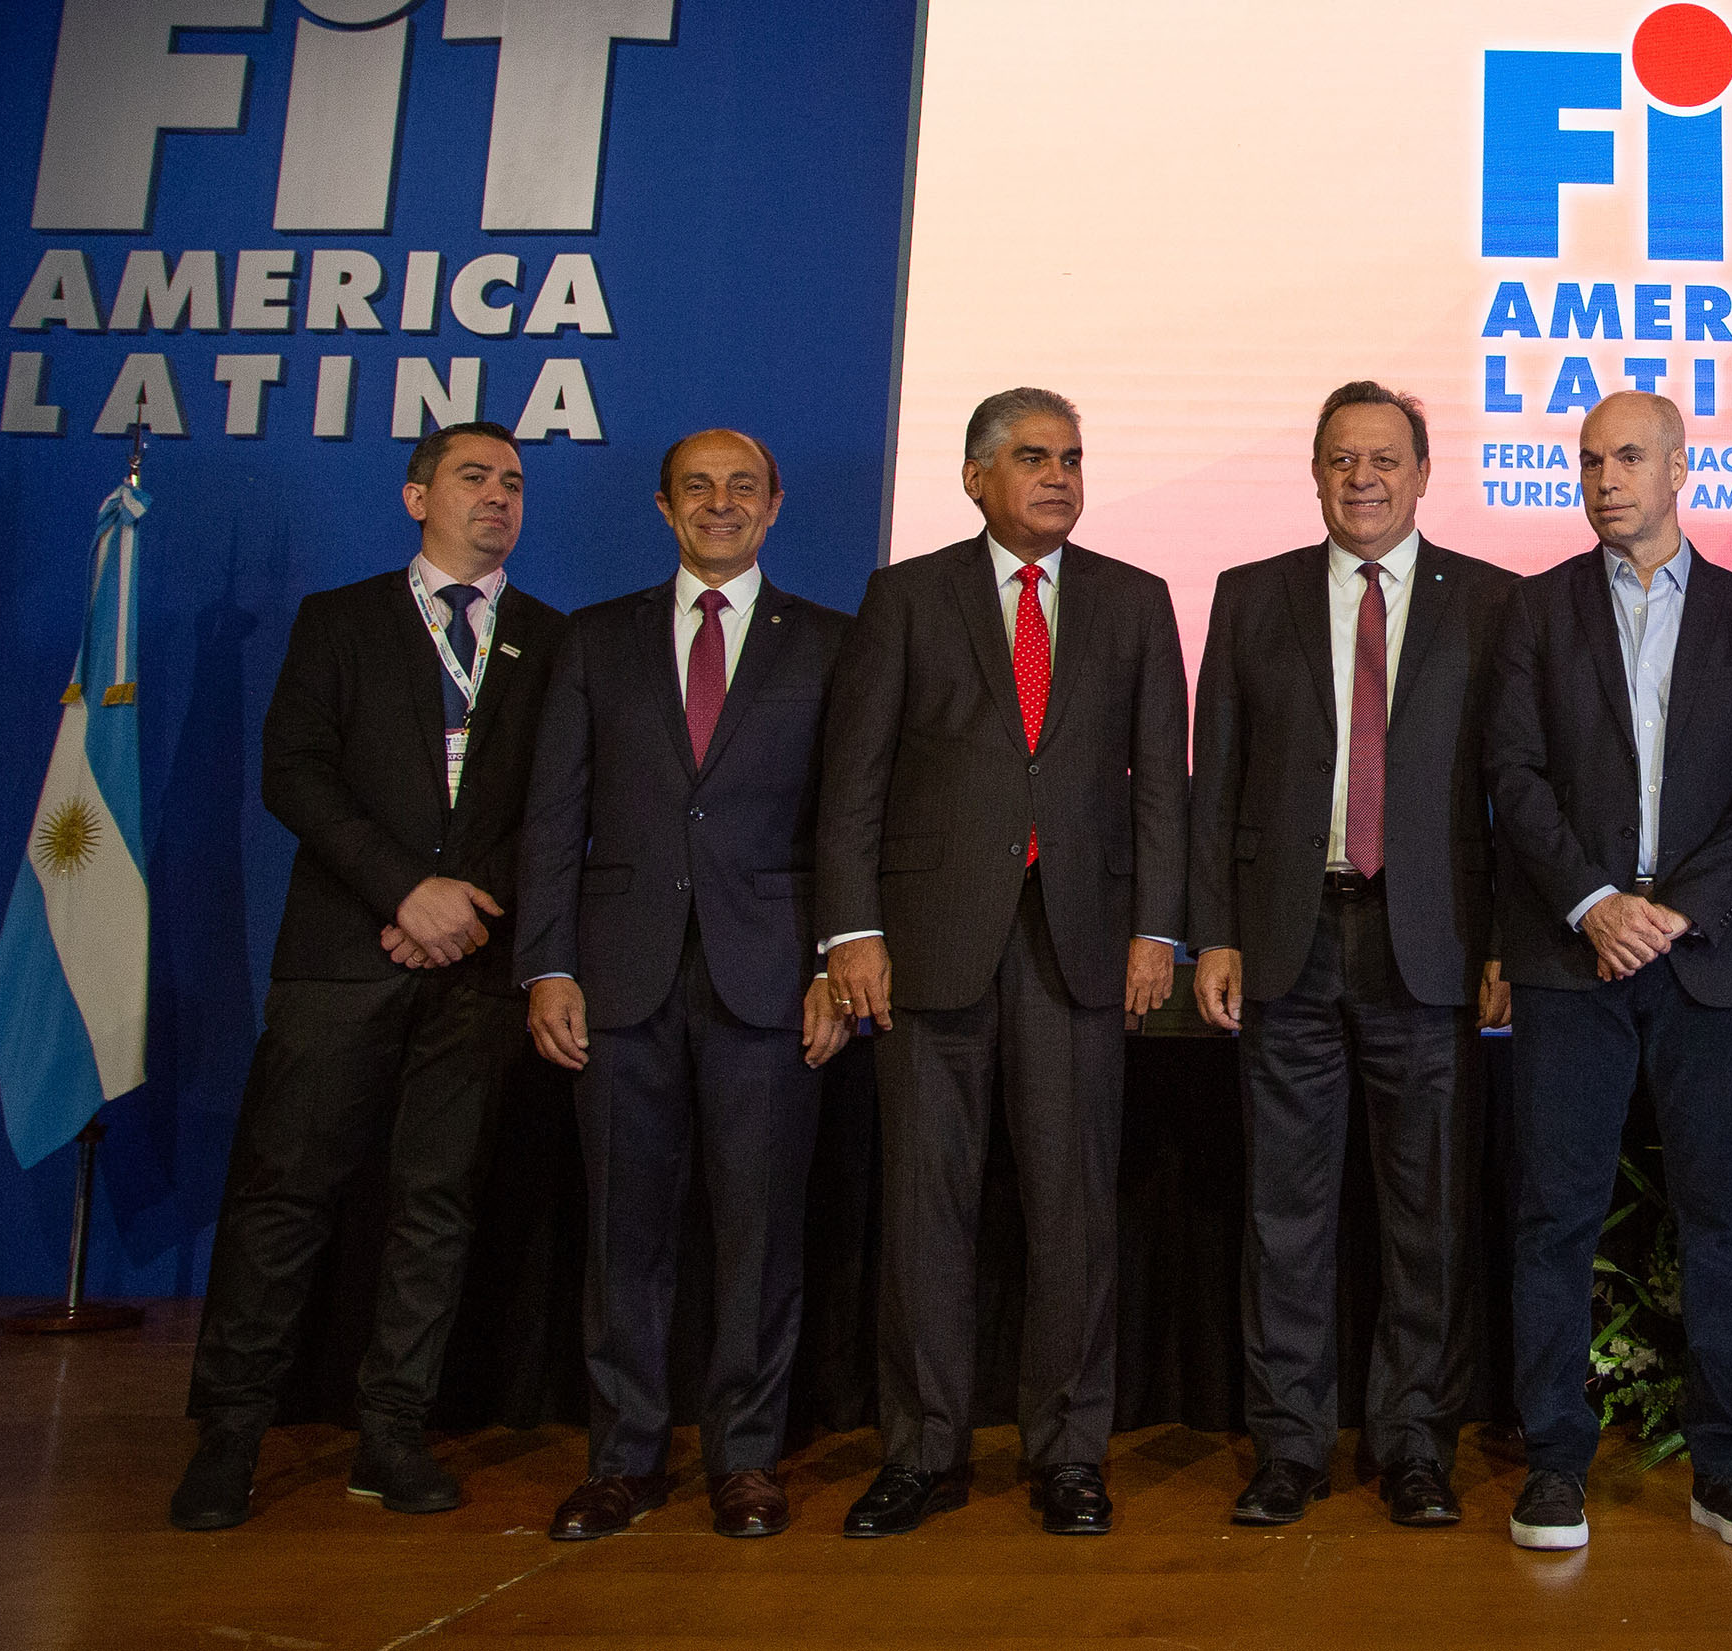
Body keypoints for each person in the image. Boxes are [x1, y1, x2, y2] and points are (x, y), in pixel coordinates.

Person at [170, 421, 566, 1531]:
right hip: (342, 959)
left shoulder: (550, 638)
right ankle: (232, 1433)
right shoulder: (337, 620)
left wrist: (462, 906)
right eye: (473, 477)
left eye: (513, 482)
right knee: (285, 1197)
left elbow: (558, 802)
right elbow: (293, 773)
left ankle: (393, 1430)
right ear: (415, 496)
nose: (498, 496)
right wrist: (404, 892)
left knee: (435, 1204)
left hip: (475, 964)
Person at [816, 388, 1188, 1538]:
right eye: (1034, 458)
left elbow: (1160, 787)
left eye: (1072, 457)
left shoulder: (1134, 599)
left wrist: (1158, 930)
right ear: (977, 476)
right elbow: (854, 776)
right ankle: (922, 1451)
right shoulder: (905, 596)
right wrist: (850, 930)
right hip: (928, 943)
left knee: (1074, 1211)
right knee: (925, 1209)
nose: (1059, 476)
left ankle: (1069, 1453)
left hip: (1080, 945)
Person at [1483, 392, 1732, 1552]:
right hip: (1572, 958)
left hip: (1707, 959)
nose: (1605, 479)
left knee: (1721, 1222)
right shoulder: (1534, 610)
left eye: (1628, 458)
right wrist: (1595, 904)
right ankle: (1554, 1466)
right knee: (1553, 1220)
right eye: (1589, 461)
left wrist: (1671, 912)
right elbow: (1514, 774)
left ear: (1679, 468)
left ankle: (1727, 1469)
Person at [515, 428, 854, 1543]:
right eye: (697, 488)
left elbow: (849, 821)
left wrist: (833, 963)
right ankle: (623, 1460)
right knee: (625, 1232)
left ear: (775, 504)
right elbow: (554, 815)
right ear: (664, 508)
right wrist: (547, 963)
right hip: (619, 979)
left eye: (742, 486)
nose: (720, 503)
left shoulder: (832, 644)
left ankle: (745, 1460)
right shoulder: (594, 639)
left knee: (759, 1236)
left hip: (774, 978)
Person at [1190, 381, 1517, 1531]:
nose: (1363, 479)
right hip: (1289, 940)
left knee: (1428, 1214)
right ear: (1317, 474)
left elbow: (1513, 794)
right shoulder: (1251, 595)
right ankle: (1288, 1446)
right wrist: (1215, 930)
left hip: (1432, 947)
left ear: (1424, 474)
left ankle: (1415, 1444)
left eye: (1385, 459)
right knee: (1285, 1213)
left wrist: (1503, 944)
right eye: (1342, 459)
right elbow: (1216, 781)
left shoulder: (1494, 602)